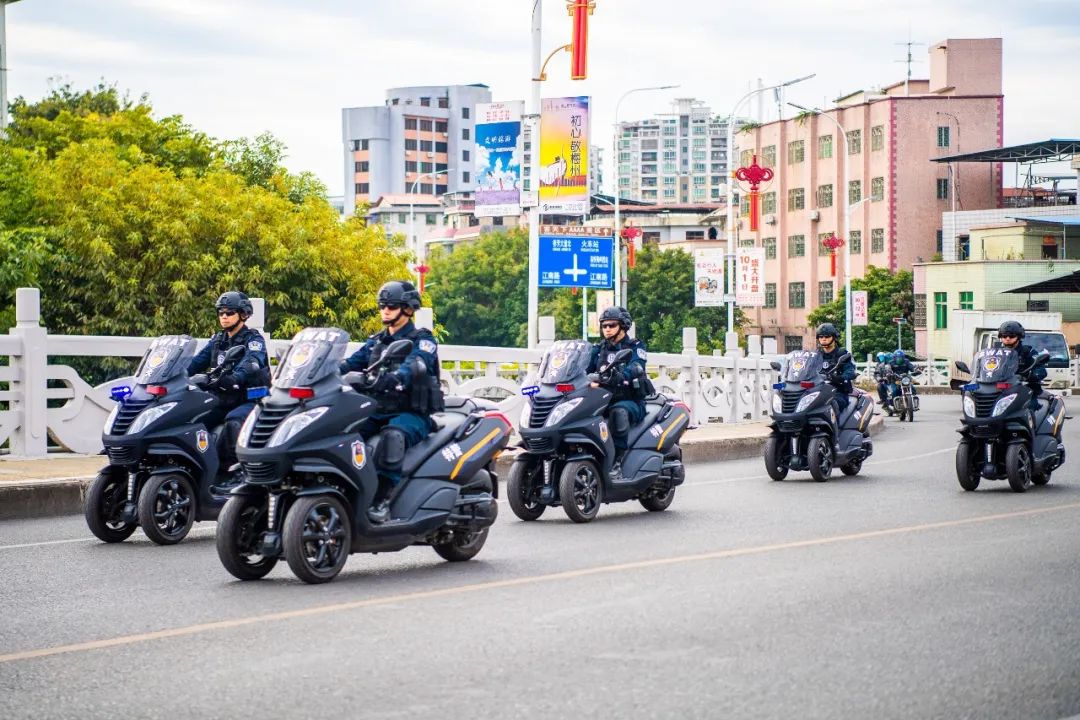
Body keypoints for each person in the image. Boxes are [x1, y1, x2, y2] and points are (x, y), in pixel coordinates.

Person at [340, 280, 443, 523]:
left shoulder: (423, 340)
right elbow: (350, 363)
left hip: (411, 412)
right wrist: (324, 371)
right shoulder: (376, 341)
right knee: (341, 432)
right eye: (382, 305)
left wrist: (397, 377)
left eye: (392, 306)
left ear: (408, 309)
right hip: (377, 409)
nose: (385, 310)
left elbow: (416, 364)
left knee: (392, 436)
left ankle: (382, 499)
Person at [187, 291, 270, 488]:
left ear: (243, 314)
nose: (224, 316)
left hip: (250, 398)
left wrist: (235, 377)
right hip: (223, 397)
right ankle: (195, 468)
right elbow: (196, 362)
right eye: (221, 312)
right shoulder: (218, 340)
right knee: (192, 419)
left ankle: (238, 473)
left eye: (229, 312)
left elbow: (252, 362)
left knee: (234, 422)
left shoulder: (253, 340)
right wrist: (175, 373)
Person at [587, 306, 651, 479]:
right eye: (604, 326)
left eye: (612, 325)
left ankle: (617, 462)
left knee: (618, 412)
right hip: (602, 399)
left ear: (623, 326)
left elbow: (637, 366)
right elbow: (582, 367)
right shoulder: (598, 349)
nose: (607, 329)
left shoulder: (635, 346)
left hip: (629, 400)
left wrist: (623, 375)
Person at [997, 320, 1048, 409]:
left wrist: (1029, 375)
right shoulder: (996, 353)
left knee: (1029, 407)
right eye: (1004, 336)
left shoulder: (1028, 352)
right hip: (1001, 390)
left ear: (1019, 337)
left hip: (1025, 389)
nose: (1008, 338)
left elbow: (1041, 371)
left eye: (1011, 336)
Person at [814, 323, 856, 414]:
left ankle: (836, 428)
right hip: (818, 391)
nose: (824, 339)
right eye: (821, 337)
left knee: (833, 404)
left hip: (838, 392)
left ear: (834, 337)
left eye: (827, 336)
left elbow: (851, 371)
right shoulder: (816, 355)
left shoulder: (842, 354)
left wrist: (839, 378)